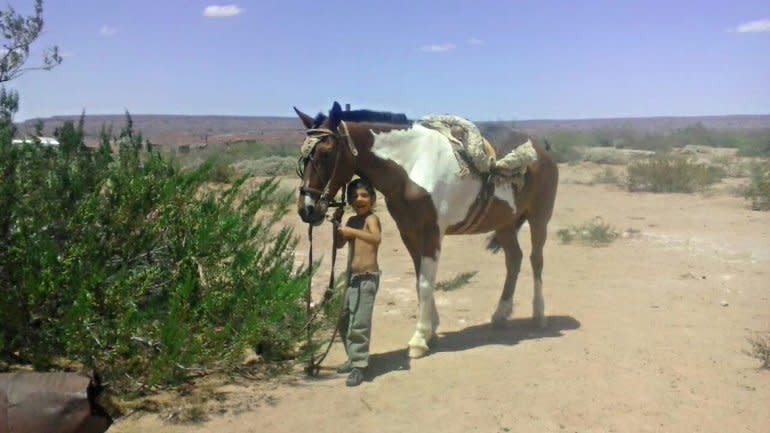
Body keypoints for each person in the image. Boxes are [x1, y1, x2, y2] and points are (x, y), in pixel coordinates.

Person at [331, 177, 382, 387]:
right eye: (354, 196)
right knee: (343, 318)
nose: (359, 199)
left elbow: (375, 239)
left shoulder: (372, 219)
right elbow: (340, 245)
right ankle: (353, 357)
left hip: (367, 278)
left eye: (363, 195)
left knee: (359, 322)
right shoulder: (352, 221)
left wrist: (351, 232)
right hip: (351, 278)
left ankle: (360, 365)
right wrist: (338, 227)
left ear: (372, 198)